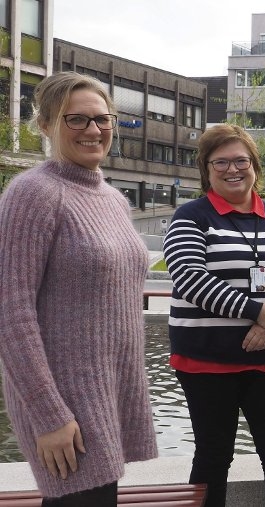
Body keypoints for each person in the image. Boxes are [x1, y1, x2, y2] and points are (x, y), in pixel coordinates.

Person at [0, 72, 157, 505]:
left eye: (102, 119)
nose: (93, 130)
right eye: (76, 119)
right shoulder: (33, 193)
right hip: (63, 404)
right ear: (45, 124)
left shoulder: (114, 199)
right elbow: (11, 311)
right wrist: (48, 414)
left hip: (108, 392)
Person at [163, 124, 265, 507]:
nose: (232, 169)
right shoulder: (190, 216)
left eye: (241, 161)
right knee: (213, 458)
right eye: (221, 162)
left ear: (254, 165)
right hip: (207, 362)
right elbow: (190, 278)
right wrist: (258, 312)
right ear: (207, 169)